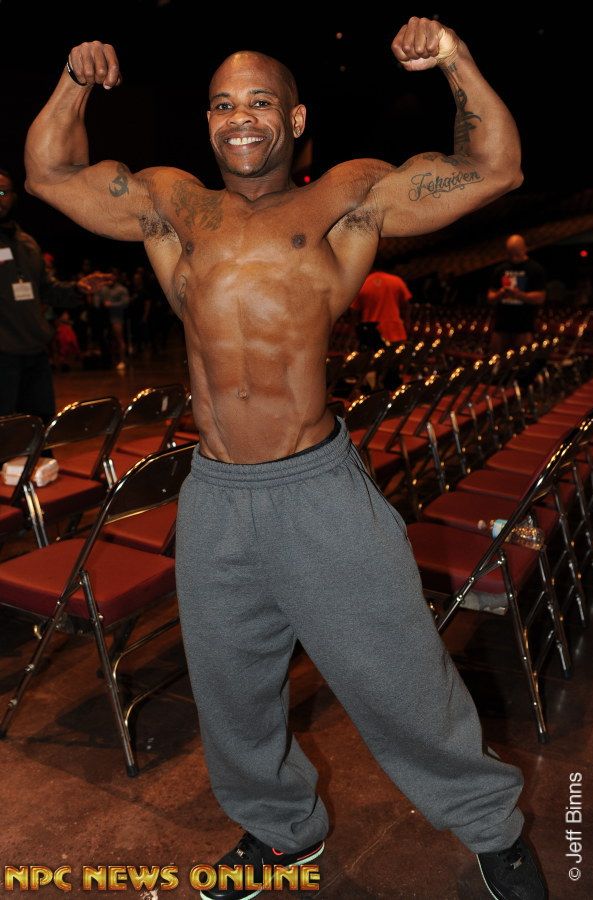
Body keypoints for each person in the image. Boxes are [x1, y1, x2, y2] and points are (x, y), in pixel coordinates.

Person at [24, 18, 547, 900]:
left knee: (401, 681)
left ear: (295, 119)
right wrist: (74, 80)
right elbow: (49, 173)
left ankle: (492, 831)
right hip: (216, 493)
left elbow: (495, 168)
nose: (239, 118)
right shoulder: (173, 204)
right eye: (222, 104)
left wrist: (454, 59)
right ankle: (279, 834)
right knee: (232, 691)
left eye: (259, 102)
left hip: (317, 491)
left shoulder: (345, 197)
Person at [0, 168, 94, 422]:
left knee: (39, 426)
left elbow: (47, 290)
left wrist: (77, 288)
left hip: (35, 352)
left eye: (2, 192)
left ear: (13, 197)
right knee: (6, 432)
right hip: (3, 354)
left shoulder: (28, 244)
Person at [487, 234, 546, 351]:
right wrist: (501, 293)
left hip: (524, 327)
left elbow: (540, 298)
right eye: (510, 254)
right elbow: (490, 297)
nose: (514, 258)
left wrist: (519, 295)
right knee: (496, 357)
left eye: (517, 254)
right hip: (501, 325)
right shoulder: (501, 270)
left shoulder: (535, 269)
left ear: (525, 249)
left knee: (521, 358)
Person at [351, 265, 412, 346]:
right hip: (395, 331)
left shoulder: (362, 283)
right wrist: (407, 323)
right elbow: (406, 306)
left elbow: (354, 312)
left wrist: (356, 332)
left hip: (370, 333)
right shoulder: (396, 281)